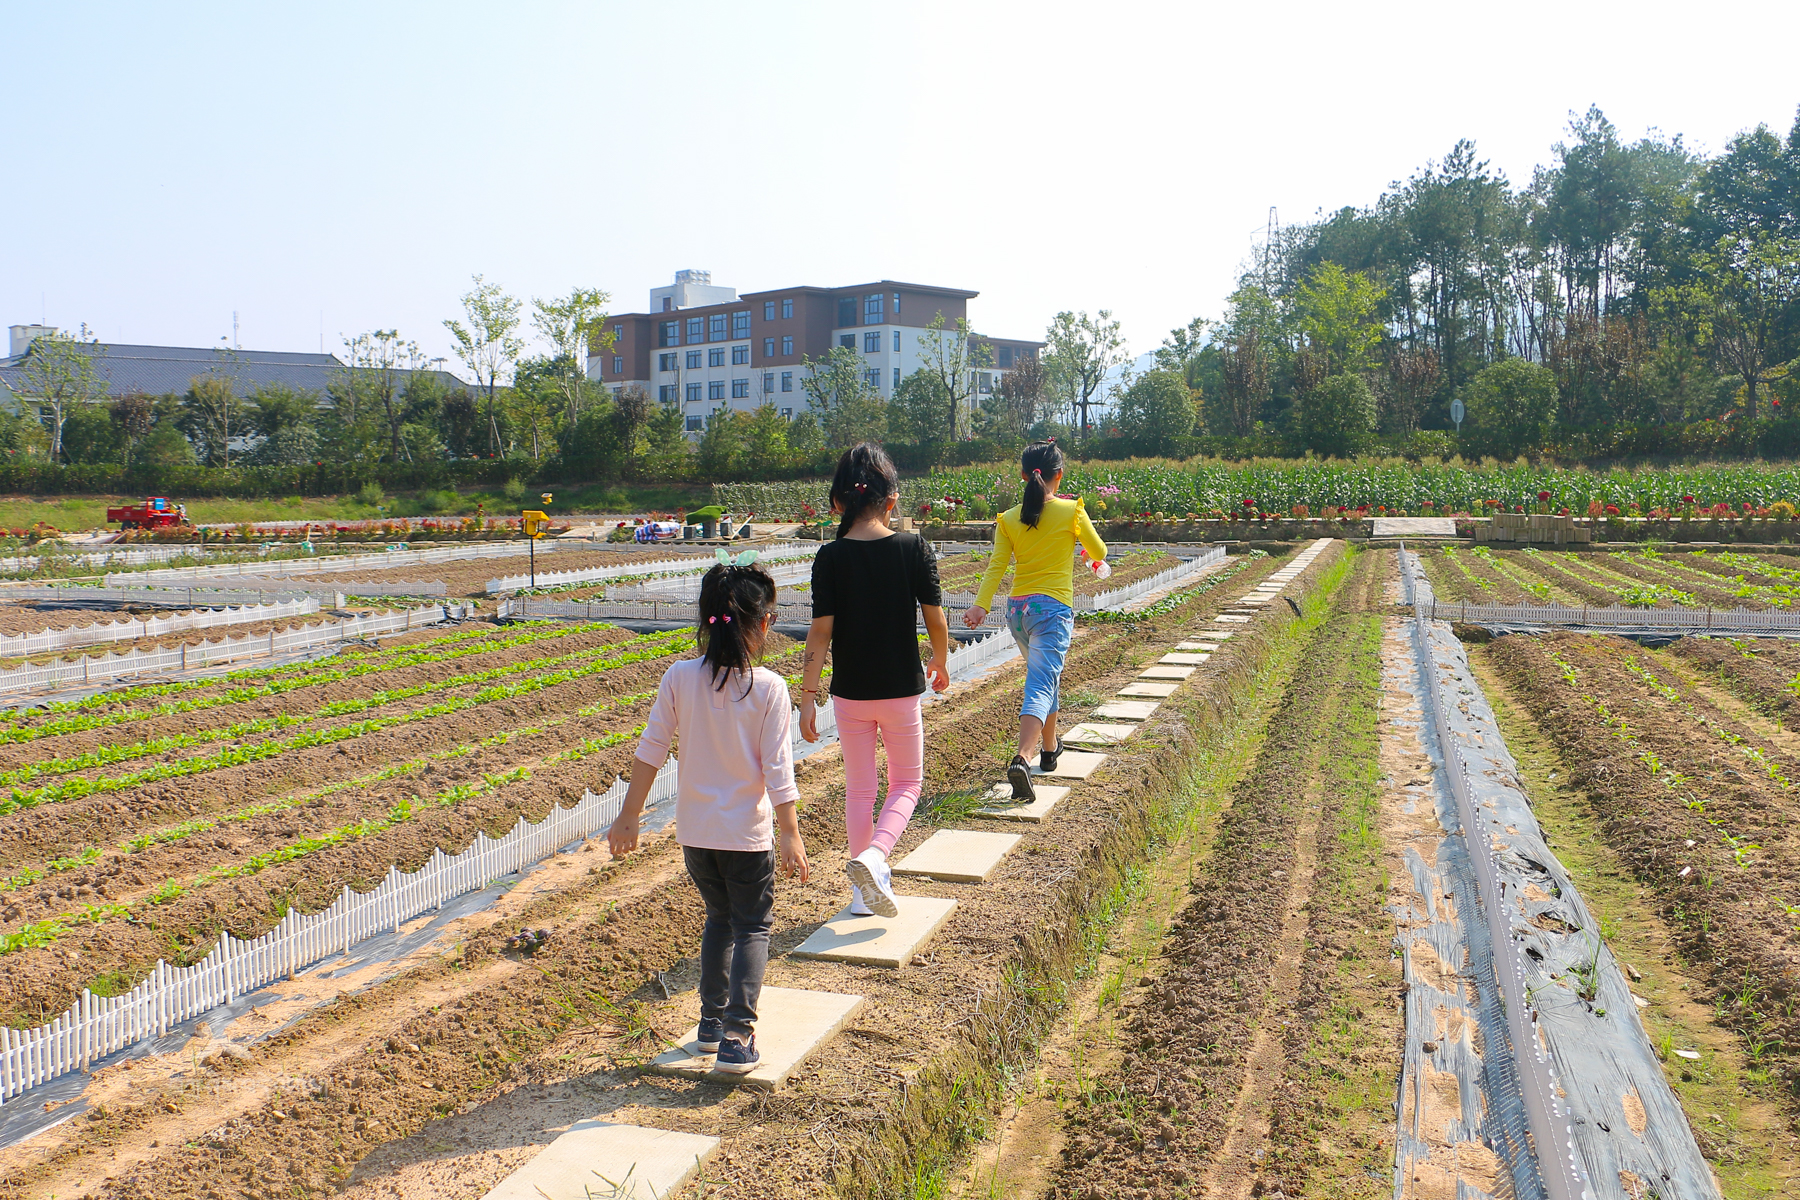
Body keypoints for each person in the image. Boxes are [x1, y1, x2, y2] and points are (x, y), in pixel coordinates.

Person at [606, 554, 809, 1074]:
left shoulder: (679, 677)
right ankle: (739, 1037)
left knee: (719, 919)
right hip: (746, 833)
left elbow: (651, 749)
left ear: (705, 621)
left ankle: (710, 1026)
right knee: (752, 927)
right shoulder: (768, 688)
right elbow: (778, 768)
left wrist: (629, 816)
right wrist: (790, 832)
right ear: (763, 625)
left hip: (695, 834)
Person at [800, 443, 949, 919]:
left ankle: (863, 895)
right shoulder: (912, 547)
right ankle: (875, 857)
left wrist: (807, 700)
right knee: (907, 782)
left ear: (838, 503)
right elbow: (935, 620)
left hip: (850, 694)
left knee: (860, 790)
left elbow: (819, 634)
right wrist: (941, 662)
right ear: (891, 501)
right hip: (901, 690)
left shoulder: (829, 557)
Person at [962, 440, 1106, 802]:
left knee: (1047, 676)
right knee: (1041, 682)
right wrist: (1082, 546)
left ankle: (1049, 748)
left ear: (1024, 476)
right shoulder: (1072, 511)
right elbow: (1100, 551)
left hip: (1018, 612)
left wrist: (980, 607)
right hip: (1052, 611)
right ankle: (1023, 759)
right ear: (1060, 475)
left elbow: (997, 565)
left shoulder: (1009, 518)